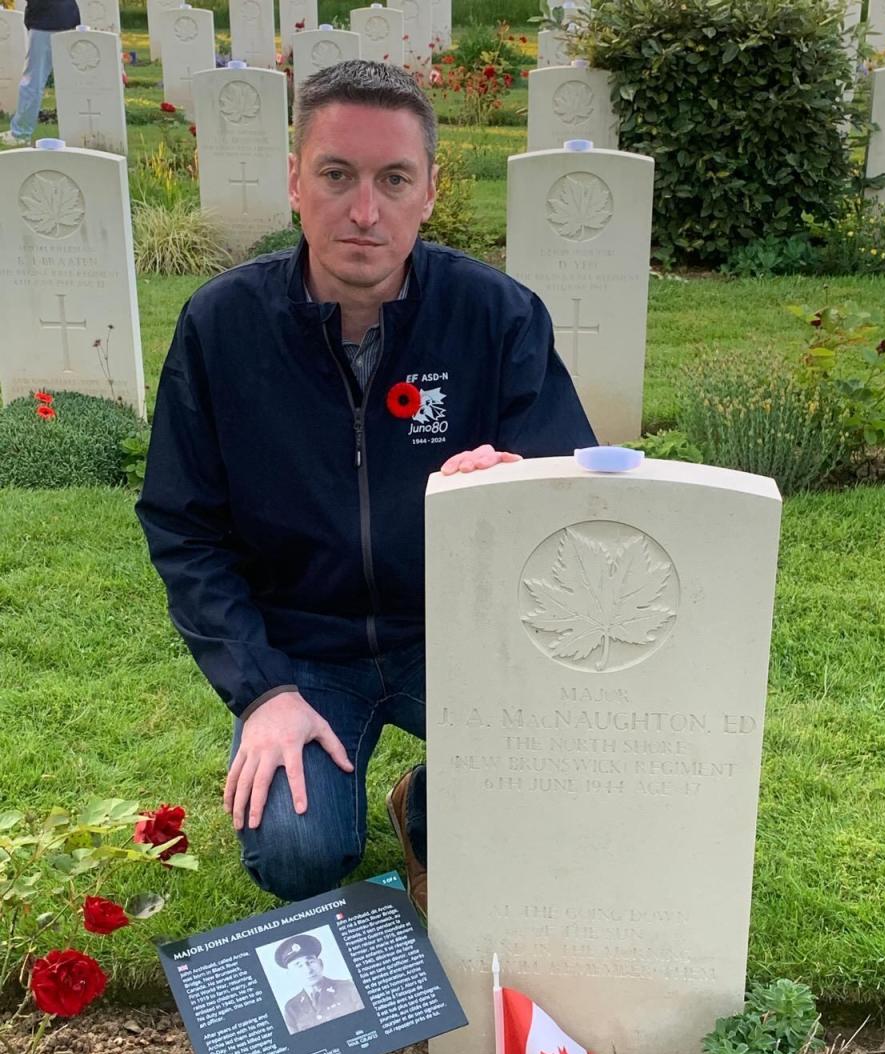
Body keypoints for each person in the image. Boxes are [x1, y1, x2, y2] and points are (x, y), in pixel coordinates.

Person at [136, 60, 596, 913]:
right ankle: (337, 761)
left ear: (429, 192)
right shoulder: (222, 327)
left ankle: (430, 801)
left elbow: (574, 500)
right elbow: (183, 524)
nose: (363, 211)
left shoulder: (496, 316)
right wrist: (264, 690)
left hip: (454, 639)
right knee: (298, 855)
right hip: (302, 650)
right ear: (294, 182)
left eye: (394, 180)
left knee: (566, 788)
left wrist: (514, 488)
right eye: (337, 175)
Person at [0, 0, 81, 147]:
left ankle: (20, 133)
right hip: (69, 16)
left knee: (32, 80)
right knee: (70, 80)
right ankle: (80, 133)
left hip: (45, 20)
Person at [274, 933, 364, 1034]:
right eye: (298, 965)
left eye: (310, 962)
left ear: (320, 964)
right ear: (290, 974)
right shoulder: (291, 1008)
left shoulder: (349, 988)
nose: (308, 970)